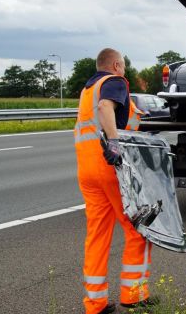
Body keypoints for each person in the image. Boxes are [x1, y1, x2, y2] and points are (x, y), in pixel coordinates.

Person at [74, 48, 154, 314]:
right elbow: (106, 107)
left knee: (97, 236)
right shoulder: (114, 83)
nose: (124, 70)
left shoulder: (88, 89)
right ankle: (134, 294)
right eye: (123, 66)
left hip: (87, 170)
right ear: (117, 64)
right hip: (111, 167)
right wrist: (116, 143)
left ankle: (95, 304)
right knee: (139, 229)